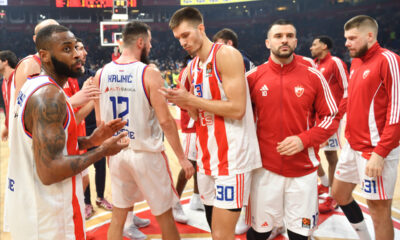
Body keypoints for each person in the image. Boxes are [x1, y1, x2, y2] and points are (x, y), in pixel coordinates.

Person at [5, 24, 129, 240]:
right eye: (67, 49)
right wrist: (102, 151)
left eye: (76, 47)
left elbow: (47, 145)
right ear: (44, 55)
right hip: (49, 218)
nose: (77, 55)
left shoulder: (35, 86)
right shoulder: (49, 97)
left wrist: (91, 140)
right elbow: (50, 170)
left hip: (32, 209)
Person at [162, 7, 261, 240]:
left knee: (222, 235)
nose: (182, 42)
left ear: (201, 28)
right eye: (178, 39)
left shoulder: (226, 55)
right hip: (207, 159)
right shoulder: (192, 67)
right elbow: (199, 116)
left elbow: (238, 109)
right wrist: (187, 106)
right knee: (213, 230)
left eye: (186, 35)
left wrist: (191, 100)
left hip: (233, 158)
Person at [93, 21, 194, 240]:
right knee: (165, 217)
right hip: (147, 155)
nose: (150, 46)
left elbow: (101, 122)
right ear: (140, 42)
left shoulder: (100, 74)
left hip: (117, 154)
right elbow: (166, 121)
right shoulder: (149, 73)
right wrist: (182, 158)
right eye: (148, 42)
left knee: (118, 218)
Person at [245, 19, 339, 240]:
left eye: (289, 35)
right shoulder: (253, 78)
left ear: (296, 41)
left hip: (303, 172)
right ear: (268, 42)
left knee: (299, 234)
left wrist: (304, 139)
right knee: (259, 233)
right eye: (278, 36)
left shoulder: (313, 76)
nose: (284, 40)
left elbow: (331, 116)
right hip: (264, 171)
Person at [332, 15, 400, 240]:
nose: (346, 43)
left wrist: (380, 153)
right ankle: (364, 237)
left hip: (375, 149)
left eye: (352, 38)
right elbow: (349, 99)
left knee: (379, 211)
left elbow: (396, 111)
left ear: (370, 36)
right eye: (346, 38)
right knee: (339, 194)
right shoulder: (357, 61)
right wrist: (330, 121)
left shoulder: (389, 60)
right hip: (352, 145)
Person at [310, 35, 349, 213]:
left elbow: (348, 89)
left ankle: (333, 196)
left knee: (331, 157)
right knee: (310, 152)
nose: (311, 47)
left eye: (314, 44)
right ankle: (325, 183)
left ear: (324, 46)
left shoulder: (335, 62)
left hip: (330, 118)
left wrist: (336, 116)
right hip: (315, 117)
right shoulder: (314, 64)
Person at [172, 55, 204, 225]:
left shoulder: (206, 70)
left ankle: (197, 198)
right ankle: (174, 204)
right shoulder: (187, 72)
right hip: (191, 125)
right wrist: (193, 106)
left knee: (199, 164)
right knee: (189, 165)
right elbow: (179, 98)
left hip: (203, 124)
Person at [0, 50, 18, 141]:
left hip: (24, 127)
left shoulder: (19, 77)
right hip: (13, 127)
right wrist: (7, 126)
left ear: (5, 61)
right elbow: (8, 108)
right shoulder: (4, 81)